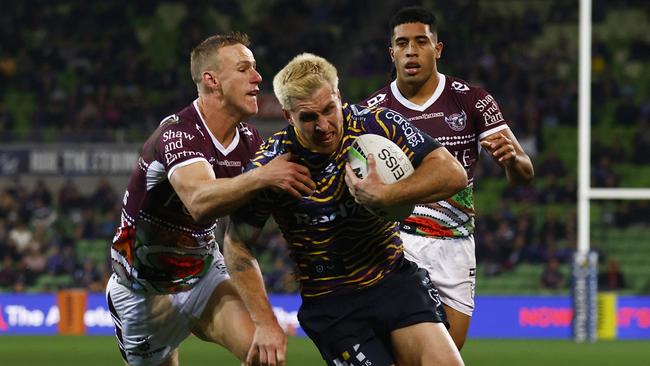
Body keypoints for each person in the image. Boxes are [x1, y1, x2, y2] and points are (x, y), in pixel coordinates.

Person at [224, 53, 467, 366]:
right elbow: (236, 244)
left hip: (393, 280)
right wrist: (265, 321)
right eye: (309, 117)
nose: (323, 125)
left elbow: (453, 174)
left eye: (328, 109)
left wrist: (389, 194)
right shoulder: (272, 165)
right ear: (288, 116)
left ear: (339, 97)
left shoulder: (376, 124)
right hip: (333, 304)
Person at [106, 32, 316, 366]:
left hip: (203, 276)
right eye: (244, 68)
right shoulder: (178, 133)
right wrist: (262, 176)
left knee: (265, 357)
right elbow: (200, 202)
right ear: (212, 80)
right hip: (143, 296)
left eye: (256, 68)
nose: (258, 77)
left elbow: (245, 232)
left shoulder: (250, 141)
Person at [361, 6, 534, 350]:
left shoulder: (473, 101)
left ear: (437, 49)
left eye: (421, 41)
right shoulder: (372, 113)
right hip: (397, 243)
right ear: (391, 52)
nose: (411, 50)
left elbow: (524, 175)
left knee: (448, 355)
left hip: (456, 246)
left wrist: (512, 160)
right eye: (402, 43)